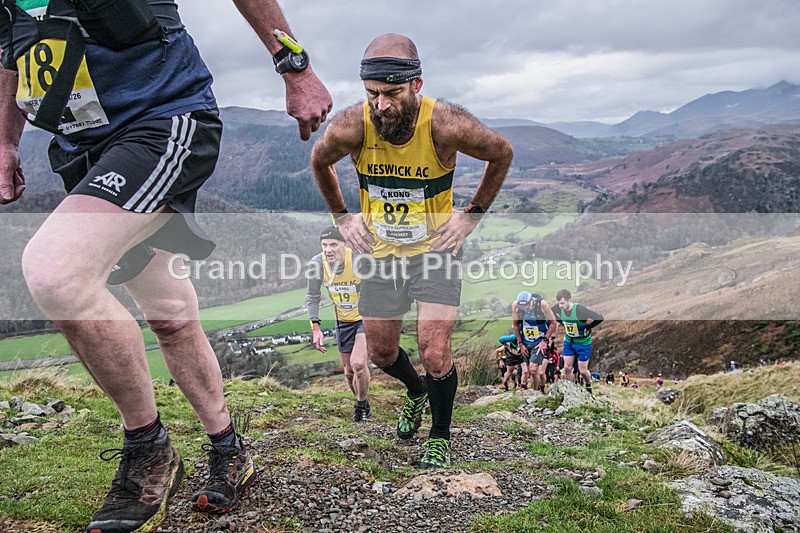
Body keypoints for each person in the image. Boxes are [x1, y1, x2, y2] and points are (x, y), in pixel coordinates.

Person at [0, 2, 331, 531]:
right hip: (83, 146)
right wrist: (7, 140)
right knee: (169, 314)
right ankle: (229, 449)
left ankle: (149, 448)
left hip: (164, 120)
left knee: (55, 272)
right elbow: (11, 50)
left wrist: (295, 65)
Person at [310, 33, 513, 468]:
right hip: (380, 255)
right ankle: (416, 393)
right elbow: (319, 160)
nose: (381, 105)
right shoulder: (353, 125)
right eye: (372, 94)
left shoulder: (445, 124)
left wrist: (472, 215)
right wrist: (343, 218)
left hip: (435, 251)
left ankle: (439, 435)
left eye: (392, 93)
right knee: (381, 352)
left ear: (416, 85)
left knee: (434, 351)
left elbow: (501, 152)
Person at [306, 226, 372, 421]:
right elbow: (312, 296)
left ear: (345, 245)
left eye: (333, 244)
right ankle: (364, 402)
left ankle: (360, 407)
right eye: (324, 245)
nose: (328, 250)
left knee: (359, 364)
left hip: (364, 318)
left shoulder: (359, 260)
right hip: (343, 321)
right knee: (349, 372)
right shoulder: (317, 264)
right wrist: (315, 327)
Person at [554, 289, 603, 396]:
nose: (560, 306)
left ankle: (588, 385)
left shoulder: (579, 310)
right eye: (559, 303)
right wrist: (562, 322)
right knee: (567, 367)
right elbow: (550, 312)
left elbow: (599, 318)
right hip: (569, 341)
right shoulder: (558, 308)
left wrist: (589, 327)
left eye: (562, 303)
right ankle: (571, 390)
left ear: (569, 300)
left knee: (582, 371)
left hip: (583, 343)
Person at [512, 291, 557, 393]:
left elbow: (553, 323)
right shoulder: (515, 306)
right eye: (524, 309)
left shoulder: (542, 304)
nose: (526, 311)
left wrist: (545, 341)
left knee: (533, 370)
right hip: (525, 340)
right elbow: (515, 326)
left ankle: (535, 393)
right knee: (529, 371)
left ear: (531, 301)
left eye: (528, 308)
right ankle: (536, 391)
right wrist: (520, 344)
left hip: (540, 341)